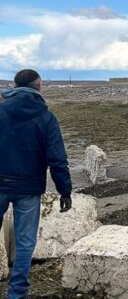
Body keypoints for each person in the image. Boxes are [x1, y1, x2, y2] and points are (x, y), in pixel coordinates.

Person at [0, 69, 72, 299]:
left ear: (14, 86)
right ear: (38, 86)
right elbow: (58, 160)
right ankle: (17, 293)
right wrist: (65, 191)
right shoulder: (46, 117)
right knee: (25, 242)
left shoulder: (0, 112)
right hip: (29, 188)